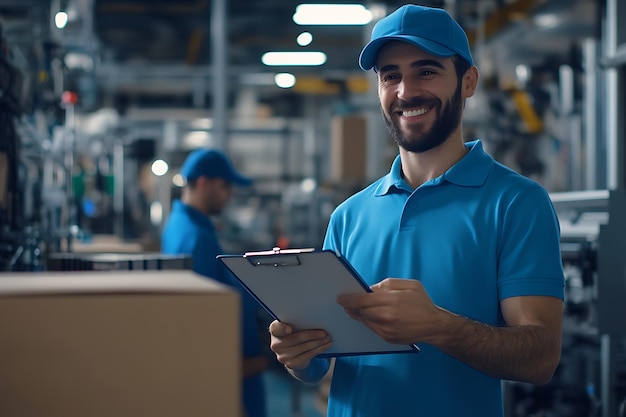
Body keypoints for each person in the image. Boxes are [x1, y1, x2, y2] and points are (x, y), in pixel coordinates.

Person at [268, 4, 565, 417]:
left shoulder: (516, 203)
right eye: (391, 76)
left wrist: (438, 326)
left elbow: (540, 358)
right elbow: (317, 364)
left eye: (426, 71)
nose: (405, 92)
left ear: (468, 81)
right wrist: (297, 353)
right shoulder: (349, 216)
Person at [161, 148, 268, 417]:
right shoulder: (196, 238)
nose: (229, 194)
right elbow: (203, 323)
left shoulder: (182, 225)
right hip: (233, 375)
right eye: (224, 186)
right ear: (203, 183)